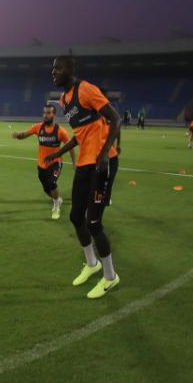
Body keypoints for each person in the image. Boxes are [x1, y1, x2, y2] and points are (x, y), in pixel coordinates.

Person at [42, 54, 122, 299]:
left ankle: (110, 277)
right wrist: (59, 151)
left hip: (100, 163)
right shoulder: (64, 100)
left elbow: (115, 118)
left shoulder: (85, 89)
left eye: (57, 69)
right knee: (77, 217)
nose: (53, 72)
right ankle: (92, 264)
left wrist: (106, 153)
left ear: (68, 69)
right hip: (85, 164)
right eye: (52, 69)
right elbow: (80, 134)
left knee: (94, 223)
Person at [14, 103, 70, 219]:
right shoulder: (38, 127)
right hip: (42, 164)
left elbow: (70, 146)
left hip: (55, 162)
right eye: (44, 112)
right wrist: (19, 135)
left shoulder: (61, 131)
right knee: (46, 189)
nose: (45, 115)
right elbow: (25, 134)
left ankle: (56, 206)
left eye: (48, 113)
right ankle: (57, 199)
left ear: (54, 114)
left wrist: (74, 162)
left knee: (52, 183)